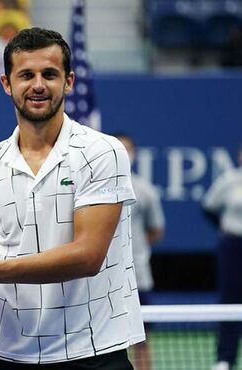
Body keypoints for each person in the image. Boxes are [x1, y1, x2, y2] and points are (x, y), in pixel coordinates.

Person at [0, 27, 145, 369]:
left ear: (68, 82)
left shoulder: (102, 151)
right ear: (7, 84)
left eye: (49, 74)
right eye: (26, 75)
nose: (38, 85)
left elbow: (88, 256)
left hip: (92, 351)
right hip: (8, 352)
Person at [114, 133, 165, 370]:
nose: (125, 154)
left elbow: (156, 230)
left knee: (142, 338)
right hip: (103, 278)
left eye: (129, 149)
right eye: (120, 149)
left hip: (138, 275)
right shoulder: (92, 185)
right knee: (108, 341)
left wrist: (129, 244)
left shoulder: (145, 190)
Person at [202, 144, 242, 370]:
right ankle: (225, 358)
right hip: (233, 245)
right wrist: (224, 228)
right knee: (231, 300)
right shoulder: (229, 181)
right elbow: (208, 207)